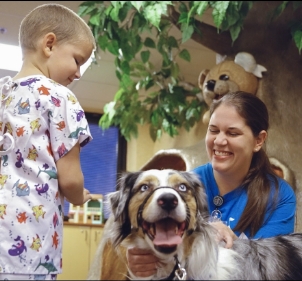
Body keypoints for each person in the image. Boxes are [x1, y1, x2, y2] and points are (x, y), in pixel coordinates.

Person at [127, 91, 296, 278]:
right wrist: (142, 260)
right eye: (213, 130)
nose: (219, 141)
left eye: (233, 133)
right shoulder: (184, 186)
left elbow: (266, 268)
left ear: (259, 140)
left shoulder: (279, 195)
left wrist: (207, 237)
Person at [0, 3, 96, 280]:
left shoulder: (3, 96)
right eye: (78, 60)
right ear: (49, 44)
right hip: (30, 239)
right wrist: (79, 198)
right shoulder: (60, 97)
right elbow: (70, 180)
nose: (78, 74)